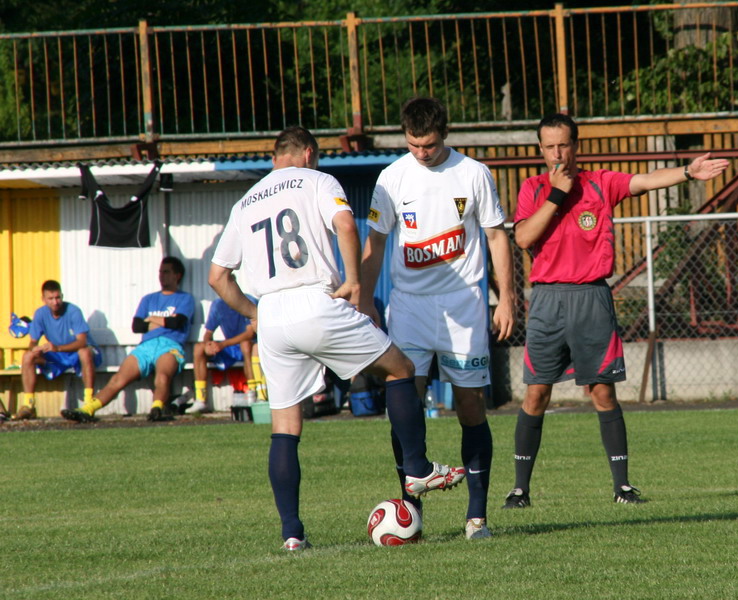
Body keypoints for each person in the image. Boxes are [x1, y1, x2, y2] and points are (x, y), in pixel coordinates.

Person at [206, 126, 464, 551]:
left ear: (276, 158)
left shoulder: (245, 202)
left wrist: (256, 312)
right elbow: (346, 224)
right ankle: (417, 467)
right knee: (401, 369)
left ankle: (292, 534)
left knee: (286, 425)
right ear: (309, 153)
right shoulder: (319, 179)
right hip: (316, 300)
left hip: (272, 314)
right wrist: (355, 285)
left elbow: (218, 277)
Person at [503, 113, 729, 508]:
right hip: (547, 301)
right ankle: (520, 490)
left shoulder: (600, 183)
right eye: (550, 146)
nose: (557, 153)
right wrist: (556, 194)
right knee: (536, 393)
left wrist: (688, 174)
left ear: (576, 145)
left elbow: (643, 180)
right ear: (540, 149)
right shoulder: (533, 188)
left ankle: (622, 486)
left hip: (592, 298)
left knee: (603, 391)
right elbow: (523, 237)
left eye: (564, 145)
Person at [359, 97, 516, 540]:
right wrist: (366, 301)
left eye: (428, 144)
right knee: (403, 402)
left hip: (463, 304)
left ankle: (477, 518)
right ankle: (410, 510)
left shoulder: (472, 173)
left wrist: (505, 298)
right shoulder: (391, 178)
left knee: (470, 406)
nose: (421, 152)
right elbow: (374, 243)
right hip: (408, 306)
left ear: (443, 134)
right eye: (413, 144)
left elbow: (495, 236)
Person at [61, 257, 195, 423]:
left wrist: (152, 319)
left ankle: (157, 408)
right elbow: (137, 326)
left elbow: (178, 322)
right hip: (146, 346)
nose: (161, 276)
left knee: (162, 376)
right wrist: (164, 321)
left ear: (178, 275)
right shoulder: (149, 299)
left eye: (166, 272)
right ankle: (88, 410)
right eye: (160, 272)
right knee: (118, 379)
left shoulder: (185, 298)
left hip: (170, 345)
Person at [15, 280, 102, 420]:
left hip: (77, 354)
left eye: (58, 297)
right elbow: (32, 342)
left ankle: (88, 403)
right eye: (51, 298)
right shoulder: (40, 314)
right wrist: (35, 349)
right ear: (43, 299)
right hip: (58, 356)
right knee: (27, 356)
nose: (55, 302)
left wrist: (58, 348)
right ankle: (29, 405)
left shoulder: (73, 311)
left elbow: (82, 341)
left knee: (85, 352)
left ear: (62, 295)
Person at [186, 296, 265, 414]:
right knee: (199, 348)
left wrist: (223, 344)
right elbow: (208, 332)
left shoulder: (248, 301)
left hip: (247, 345)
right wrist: (208, 344)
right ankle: (200, 399)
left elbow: (250, 334)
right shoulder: (218, 304)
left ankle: (252, 394)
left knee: (246, 345)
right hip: (228, 347)